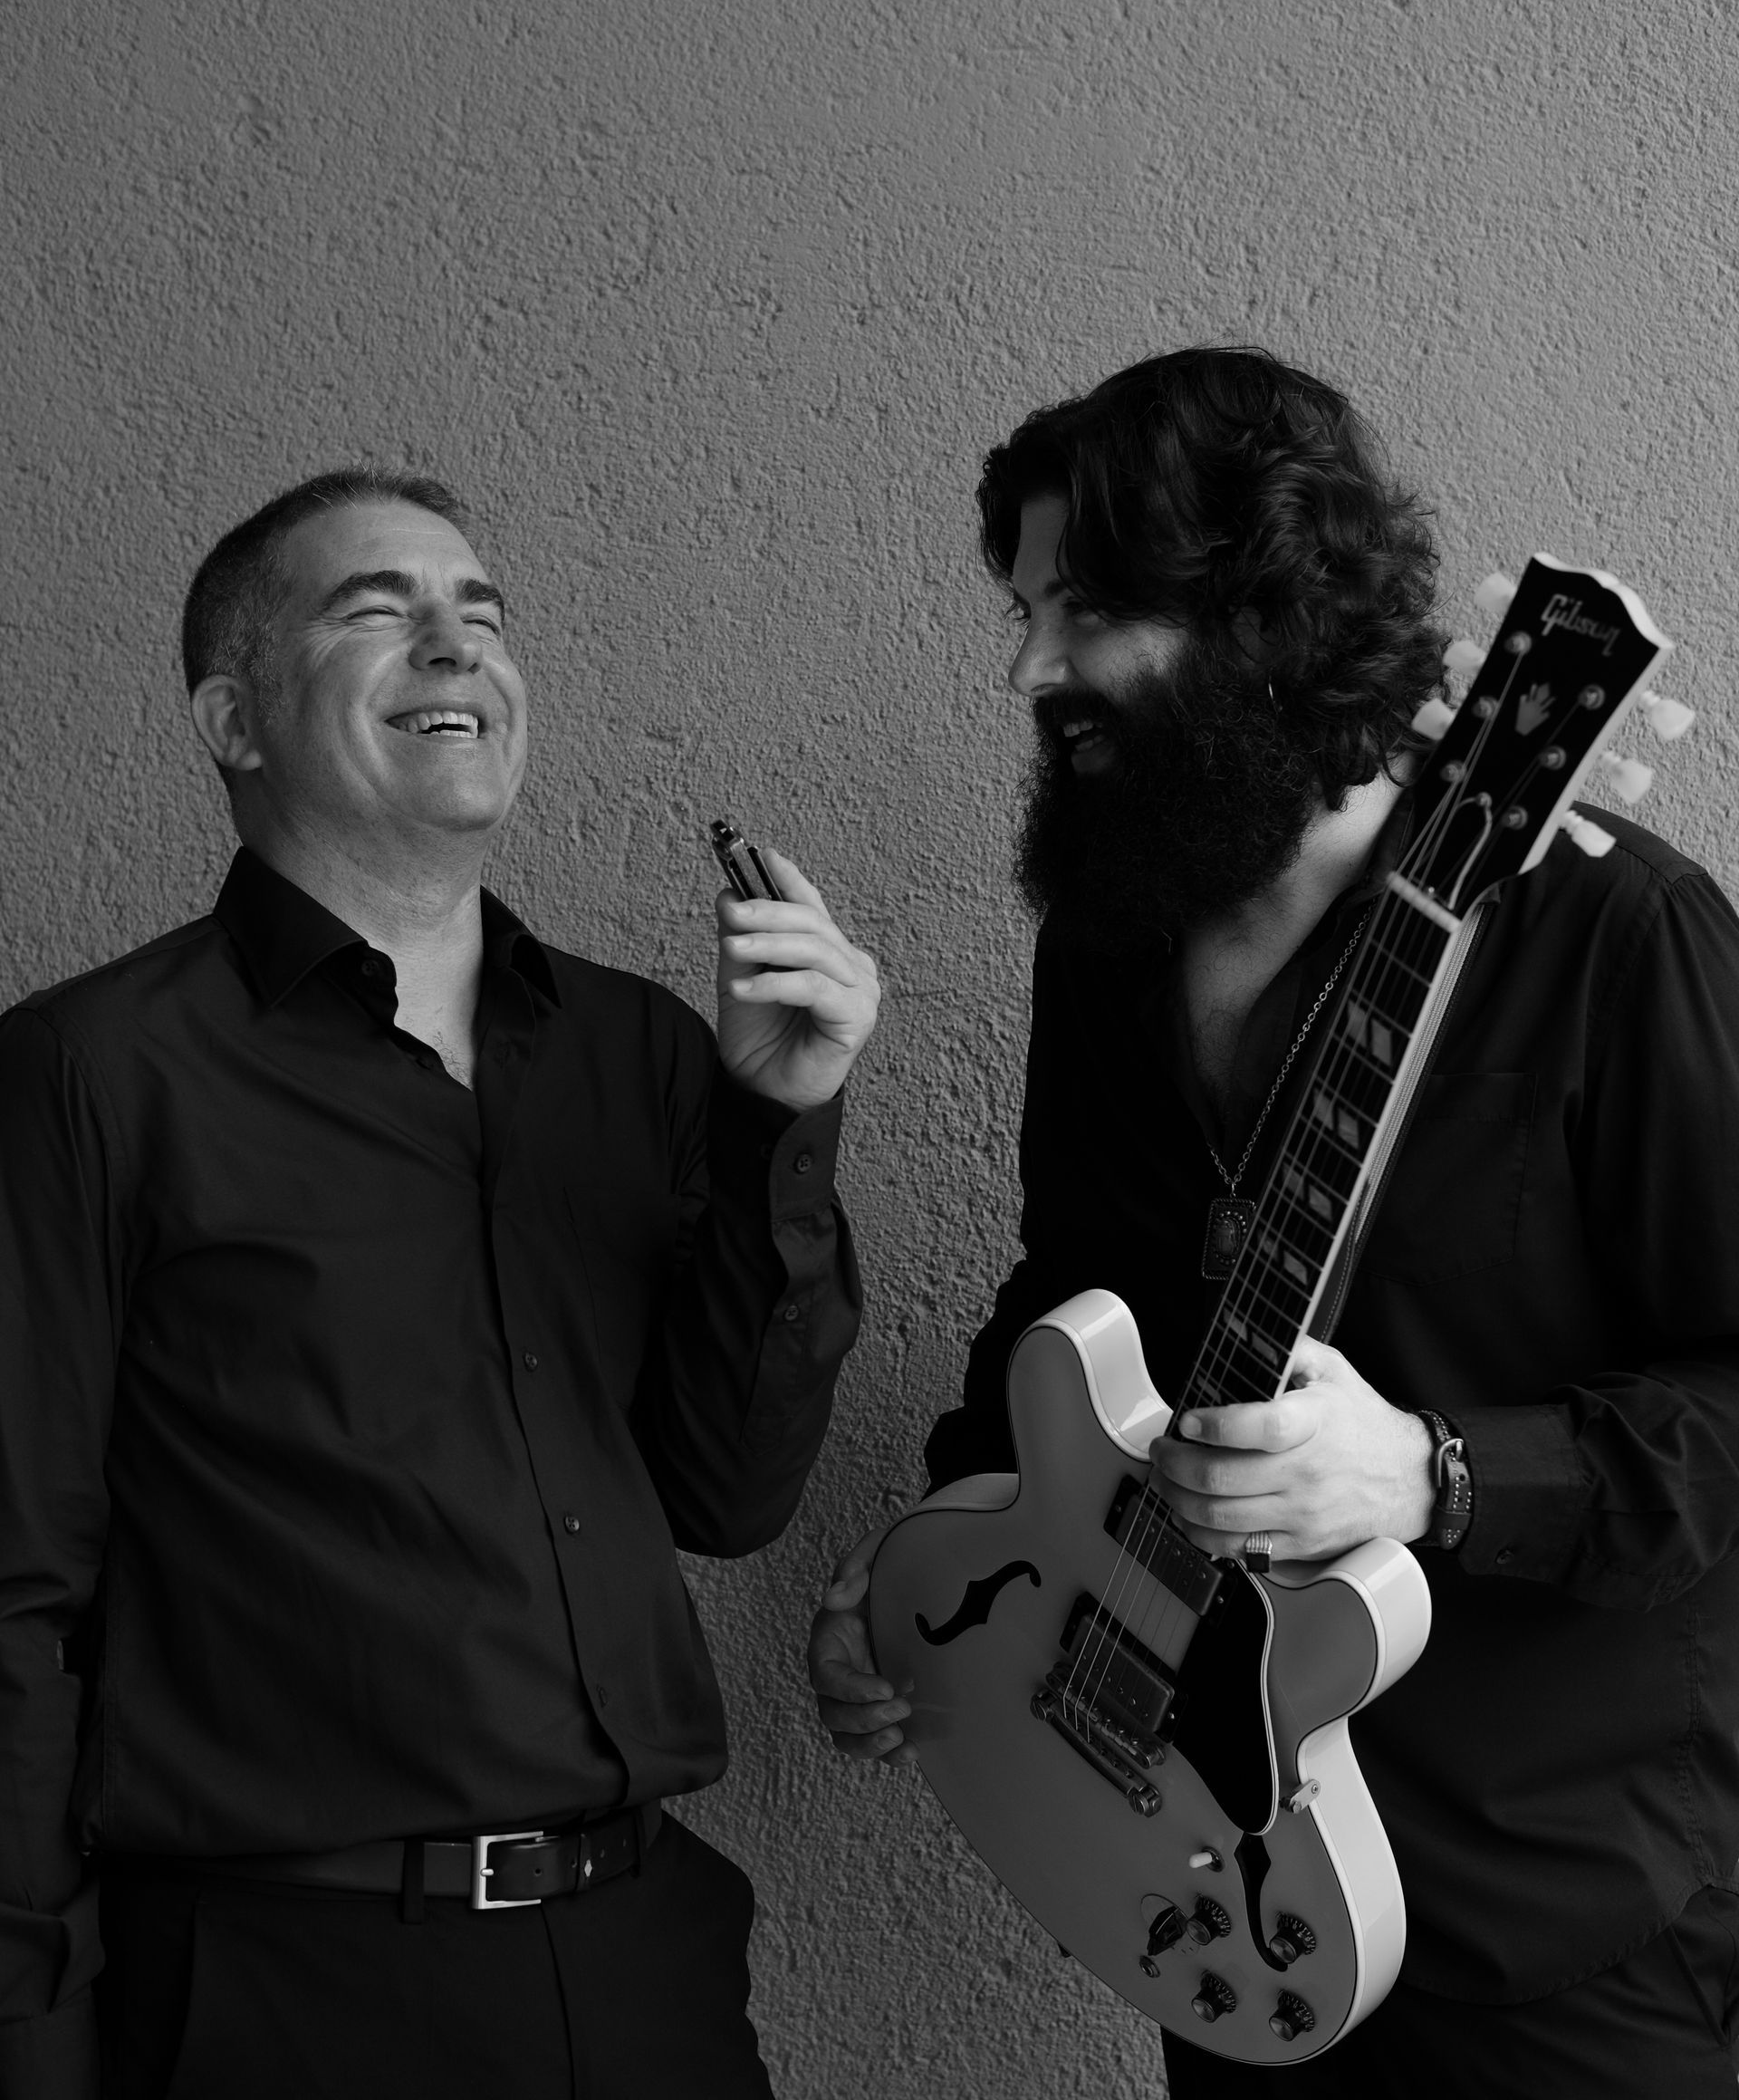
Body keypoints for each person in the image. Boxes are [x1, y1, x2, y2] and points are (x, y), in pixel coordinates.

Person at [808, 349, 1739, 2097]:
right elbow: (1073, 1305)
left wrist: (1438, 1477)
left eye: (1090, 611)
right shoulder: (1110, 937)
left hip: (1557, 1912)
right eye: (1024, 612)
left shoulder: (1615, 942)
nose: (1030, 672)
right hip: (1225, 1897)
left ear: (1268, 617)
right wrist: (952, 1564)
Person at [0, 467, 880, 2100]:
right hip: (279, 1995)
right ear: (233, 721)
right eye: (376, 612)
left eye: (480, 615)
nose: (456, 646)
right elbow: (12, 1604)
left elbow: (727, 1493)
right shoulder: (87, 1075)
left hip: (644, 1969)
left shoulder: (647, 1053)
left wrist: (782, 1123)